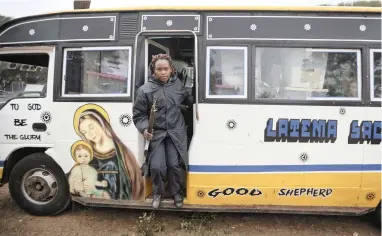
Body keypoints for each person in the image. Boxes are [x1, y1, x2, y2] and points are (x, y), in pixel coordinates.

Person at [133, 54, 193, 209]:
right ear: (154, 70)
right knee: (157, 166)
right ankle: (158, 192)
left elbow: (188, 100)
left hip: (175, 132)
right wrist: (145, 128)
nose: (163, 72)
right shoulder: (145, 90)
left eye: (166, 69)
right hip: (157, 134)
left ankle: (176, 193)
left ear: (172, 69)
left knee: (174, 164)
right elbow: (138, 114)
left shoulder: (178, 85)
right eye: (159, 69)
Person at [73, 103, 145, 200]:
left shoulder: (122, 152)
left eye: (91, 127)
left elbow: (135, 180)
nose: (89, 134)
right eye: (84, 132)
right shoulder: (87, 153)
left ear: (101, 122)